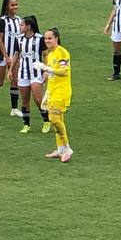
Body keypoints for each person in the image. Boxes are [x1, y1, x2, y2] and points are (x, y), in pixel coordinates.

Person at [40, 26, 73, 162]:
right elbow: (52, 75)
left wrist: (47, 68)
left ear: (56, 38)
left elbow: (64, 71)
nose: (47, 41)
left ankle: (67, 148)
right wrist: (46, 76)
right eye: (46, 38)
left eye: (50, 38)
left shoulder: (62, 53)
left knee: (54, 119)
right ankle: (60, 149)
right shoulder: (50, 54)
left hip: (62, 92)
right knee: (57, 120)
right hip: (53, 91)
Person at [16, 15, 50, 134]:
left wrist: (45, 70)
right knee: (25, 100)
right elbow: (16, 55)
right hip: (23, 73)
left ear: (29, 26)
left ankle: (47, 121)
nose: (20, 27)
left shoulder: (40, 38)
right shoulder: (19, 38)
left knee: (37, 98)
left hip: (36, 73)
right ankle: (26, 125)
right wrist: (10, 71)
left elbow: (45, 55)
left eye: (22, 25)